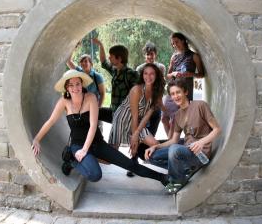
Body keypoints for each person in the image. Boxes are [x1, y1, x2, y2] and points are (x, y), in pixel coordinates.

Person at [31, 70, 170, 187]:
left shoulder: (91, 97)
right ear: (67, 88)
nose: (75, 88)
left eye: (77, 84)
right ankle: (72, 162)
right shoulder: (64, 102)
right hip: (77, 145)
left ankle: (162, 178)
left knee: (129, 164)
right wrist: (37, 139)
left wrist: (86, 150)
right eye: (71, 85)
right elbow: (50, 121)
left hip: (97, 143)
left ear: (82, 84)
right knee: (95, 175)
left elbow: (93, 125)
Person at [144, 78, 221, 194]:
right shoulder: (177, 115)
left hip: (200, 153)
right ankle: (184, 171)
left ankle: (177, 180)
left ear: (185, 92)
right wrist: (156, 146)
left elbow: (217, 129)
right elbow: (173, 140)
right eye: (172, 94)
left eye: (178, 92)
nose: (176, 96)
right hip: (186, 151)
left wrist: (201, 142)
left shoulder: (200, 105)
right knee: (152, 156)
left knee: (175, 150)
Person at [109, 63, 165, 176]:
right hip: (123, 119)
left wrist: (176, 114)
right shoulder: (136, 90)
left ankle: (173, 168)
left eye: (151, 74)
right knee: (111, 156)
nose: (148, 77)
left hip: (138, 122)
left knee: (155, 144)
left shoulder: (157, 92)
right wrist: (134, 139)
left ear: (157, 75)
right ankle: (87, 154)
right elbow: (134, 116)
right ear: (142, 75)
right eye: (145, 73)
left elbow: (147, 115)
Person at [92, 38, 139, 123]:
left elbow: (137, 96)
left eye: (111, 56)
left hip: (125, 116)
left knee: (117, 136)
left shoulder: (131, 74)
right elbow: (103, 62)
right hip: (114, 112)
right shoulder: (115, 70)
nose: (109, 57)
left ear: (119, 58)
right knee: (93, 112)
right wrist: (100, 45)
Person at [136, 41, 166, 137]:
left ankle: (149, 150)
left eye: (152, 54)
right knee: (141, 133)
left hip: (156, 105)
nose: (150, 57)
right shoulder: (139, 69)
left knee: (152, 133)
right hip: (143, 106)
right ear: (145, 55)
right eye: (148, 54)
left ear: (155, 54)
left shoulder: (161, 68)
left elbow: (161, 86)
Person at [166, 32, 204, 101]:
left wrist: (190, 74)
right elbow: (168, 75)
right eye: (173, 44)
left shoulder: (194, 56)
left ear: (183, 41)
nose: (175, 45)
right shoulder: (173, 57)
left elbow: (201, 74)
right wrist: (173, 74)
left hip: (186, 92)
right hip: (173, 91)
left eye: (176, 42)